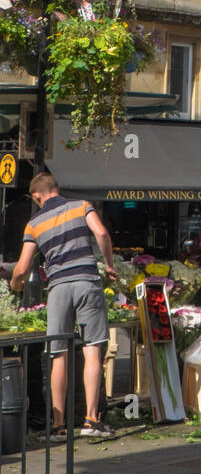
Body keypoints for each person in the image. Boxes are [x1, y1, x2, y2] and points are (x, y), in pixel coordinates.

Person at [10, 172, 116, 439]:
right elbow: (101, 233)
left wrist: (15, 283)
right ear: (56, 189)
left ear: (37, 196)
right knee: (92, 350)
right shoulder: (81, 206)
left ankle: (58, 427)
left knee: (58, 354)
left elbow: (22, 268)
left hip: (58, 288)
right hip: (87, 281)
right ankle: (91, 421)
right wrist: (110, 265)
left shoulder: (33, 223)